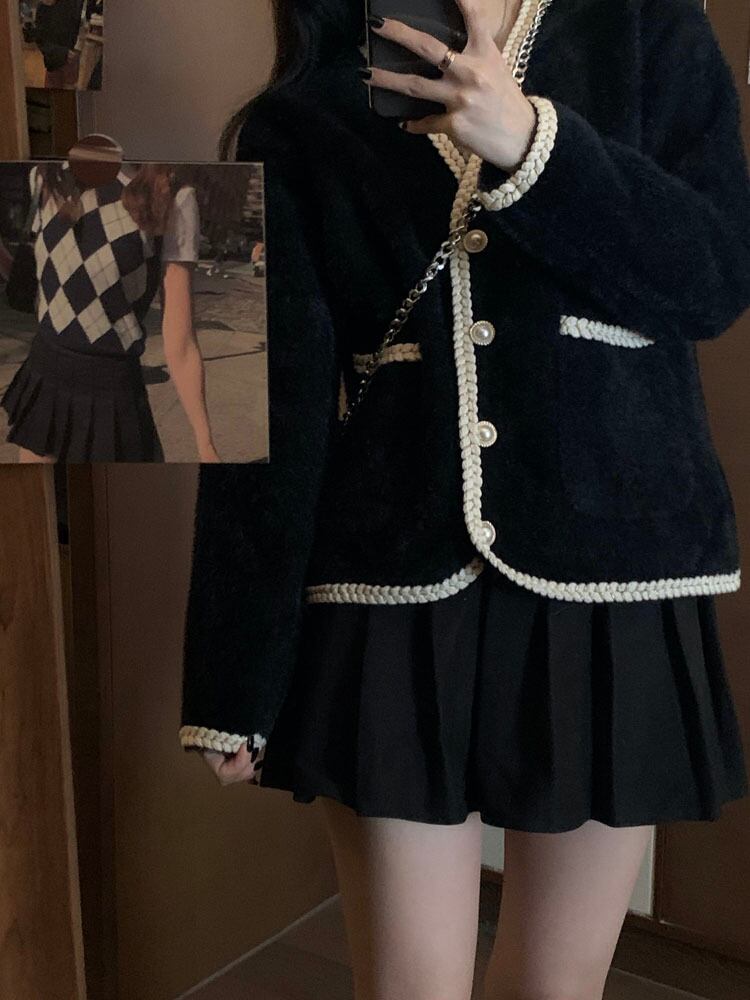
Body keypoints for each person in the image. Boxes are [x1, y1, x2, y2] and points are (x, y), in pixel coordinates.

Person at [179, 2, 750, 998]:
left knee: (553, 986)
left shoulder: (648, 23)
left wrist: (534, 144)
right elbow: (258, 403)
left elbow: (714, 278)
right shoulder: (305, 87)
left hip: (613, 577)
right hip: (390, 585)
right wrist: (233, 676)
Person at [1, 135, 220, 462]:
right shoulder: (48, 176)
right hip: (45, 372)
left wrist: (206, 445)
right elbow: (47, 286)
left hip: (111, 392)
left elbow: (181, 341)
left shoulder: (170, 195)